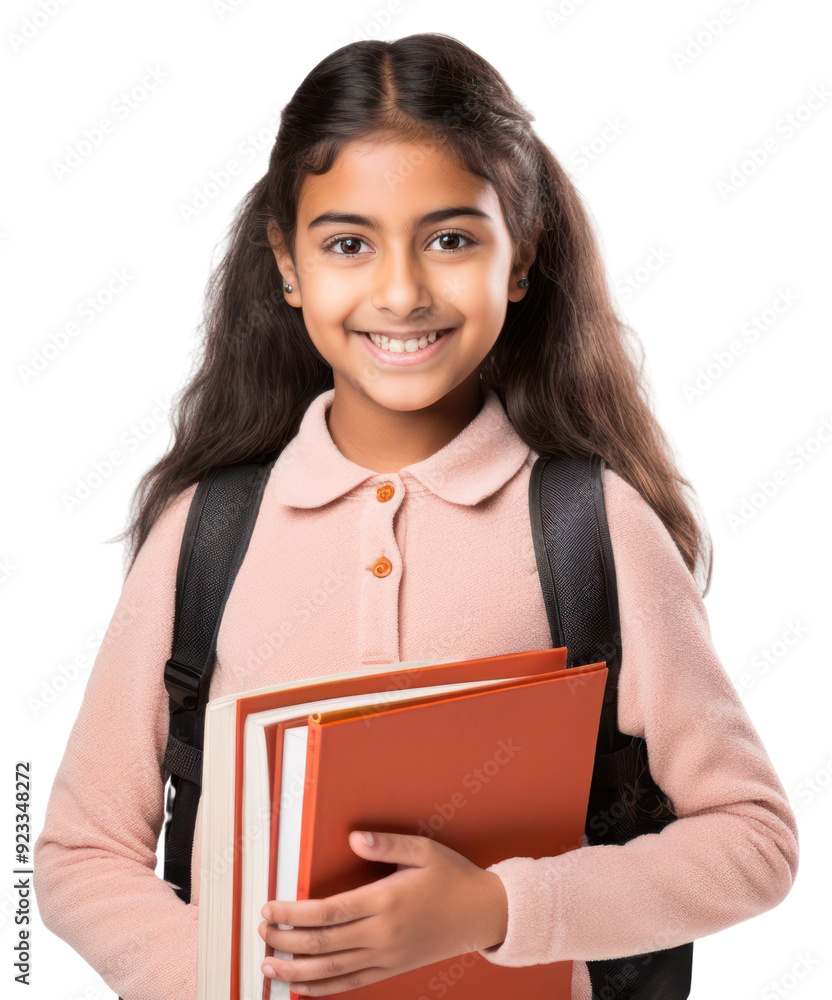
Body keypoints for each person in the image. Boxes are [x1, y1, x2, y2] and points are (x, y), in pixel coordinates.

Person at [33, 32, 799, 1000]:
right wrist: (213, 979)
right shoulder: (210, 532)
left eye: (449, 238)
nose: (399, 291)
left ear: (518, 258)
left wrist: (495, 909)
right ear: (287, 263)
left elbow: (751, 841)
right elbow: (76, 849)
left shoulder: (587, 526)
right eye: (348, 243)